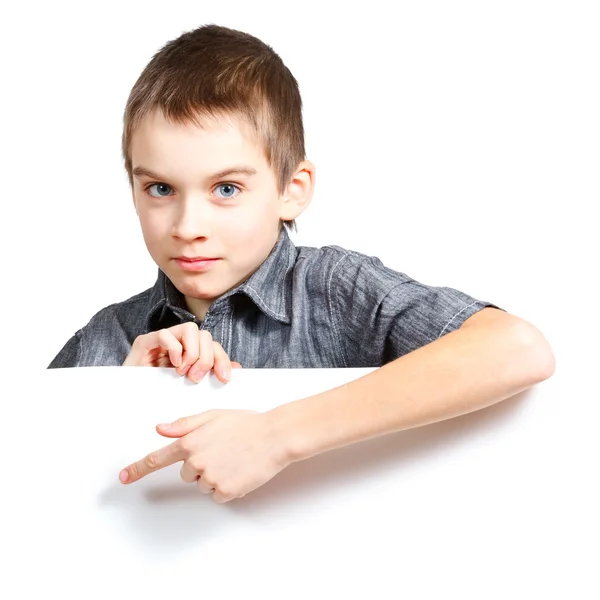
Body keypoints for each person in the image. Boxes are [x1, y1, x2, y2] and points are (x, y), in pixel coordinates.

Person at [48, 24, 555, 503]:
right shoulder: (107, 336)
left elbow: (517, 350)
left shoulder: (333, 289)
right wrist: (115, 398)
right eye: (160, 188)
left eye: (226, 189)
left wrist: (274, 436)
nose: (186, 225)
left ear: (292, 190)